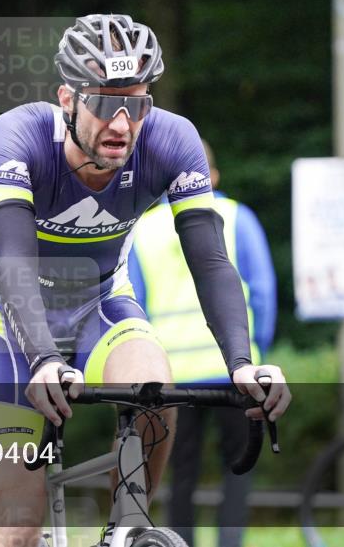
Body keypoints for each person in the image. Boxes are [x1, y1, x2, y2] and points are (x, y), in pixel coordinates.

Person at [0, 13, 291, 547]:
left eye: (135, 105)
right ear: (67, 99)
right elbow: (15, 262)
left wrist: (242, 364)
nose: (120, 124)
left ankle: (126, 528)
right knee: (17, 524)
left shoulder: (172, 139)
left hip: (100, 304)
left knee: (155, 393)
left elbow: (210, 260)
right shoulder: (18, 136)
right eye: (102, 103)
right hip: (4, 321)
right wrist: (43, 359)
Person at [128, 139, 276, 547]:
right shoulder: (238, 217)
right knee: (239, 466)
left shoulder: (144, 229)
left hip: (171, 373)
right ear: (213, 176)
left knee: (179, 471)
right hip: (235, 370)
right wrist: (257, 352)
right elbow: (263, 292)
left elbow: (132, 305)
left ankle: (180, 543)